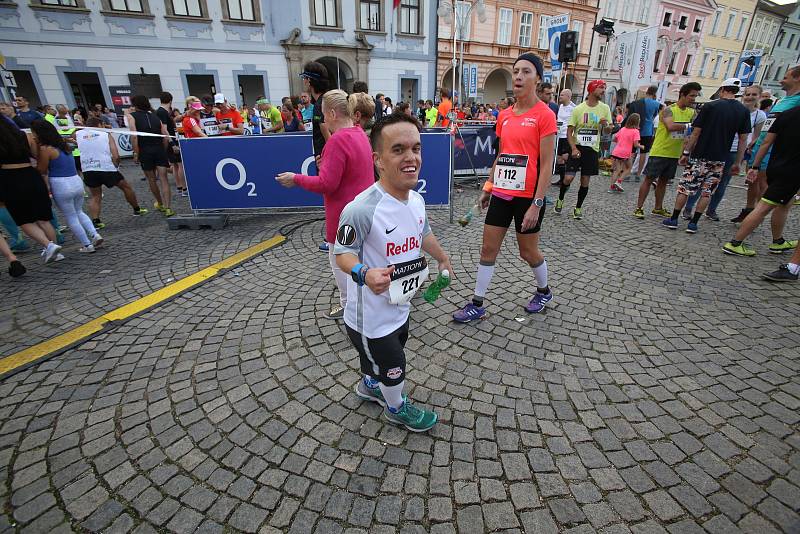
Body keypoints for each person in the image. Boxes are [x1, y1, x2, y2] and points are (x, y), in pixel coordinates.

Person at [334, 112, 451, 432]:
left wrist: (441, 257)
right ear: (379, 160)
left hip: (400, 306)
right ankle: (396, 407)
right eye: (398, 149)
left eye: (416, 148)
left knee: (390, 352)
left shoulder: (416, 200)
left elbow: (422, 232)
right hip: (368, 319)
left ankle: (369, 385)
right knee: (394, 364)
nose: (411, 157)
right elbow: (341, 252)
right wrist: (364, 273)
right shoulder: (361, 208)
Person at [453, 53, 557, 323]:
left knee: (527, 252)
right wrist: (488, 186)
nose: (519, 76)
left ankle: (544, 291)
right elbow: (501, 157)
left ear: (537, 79)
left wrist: (537, 202)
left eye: (526, 72)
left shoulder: (544, 116)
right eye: (516, 71)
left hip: (528, 197)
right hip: (502, 192)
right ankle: (477, 303)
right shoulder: (505, 116)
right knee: (488, 249)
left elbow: (547, 165)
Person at [276, 90, 376, 319]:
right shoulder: (359, 133)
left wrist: (296, 178)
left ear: (332, 113)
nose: (321, 120)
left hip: (342, 215)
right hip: (363, 211)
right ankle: (360, 301)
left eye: (322, 115)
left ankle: (349, 307)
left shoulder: (338, 139)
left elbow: (327, 184)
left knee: (341, 261)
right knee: (359, 258)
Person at [662, 78, 750, 233]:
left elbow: (696, 132)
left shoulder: (710, 106)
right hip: (720, 157)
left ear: (722, 89)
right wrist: (738, 162)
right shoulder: (743, 111)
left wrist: (686, 152)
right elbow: (743, 139)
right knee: (707, 191)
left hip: (700, 155)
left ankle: (674, 219)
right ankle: (694, 223)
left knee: (685, 188)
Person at [722, 104, 800, 256]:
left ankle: (778, 241)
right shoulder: (787, 113)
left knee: (785, 204)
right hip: (791, 171)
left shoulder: (784, 114)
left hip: (775, 165)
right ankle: (735, 243)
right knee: (764, 207)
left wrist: (755, 165)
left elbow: (765, 141)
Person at [683, 84, 766, 221]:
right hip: (719, 147)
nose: (750, 97)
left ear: (759, 97)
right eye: (747, 94)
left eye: (753, 94)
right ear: (743, 95)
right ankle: (689, 208)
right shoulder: (734, 108)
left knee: (721, 183)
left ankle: (711, 210)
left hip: (734, 150)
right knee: (702, 179)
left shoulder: (758, 115)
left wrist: (740, 159)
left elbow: (752, 137)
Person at [731, 66, 800, 223]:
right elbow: (770, 127)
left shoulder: (797, 101)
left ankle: (757, 217)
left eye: (786, 77)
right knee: (752, 181)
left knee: (765, 185)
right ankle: (750, 211)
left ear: (797, 78)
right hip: (759, 148)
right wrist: (756, 140)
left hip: (773, 151)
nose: (781, 80)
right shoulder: (783, 100)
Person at [31, 120, 103, 254]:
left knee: (71, 216)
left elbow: (41, 169)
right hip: (75, 180)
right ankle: (95, 234)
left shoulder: (46, 149)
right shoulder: (65, 145)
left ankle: (87, 245)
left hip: (60, 183)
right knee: (79, 211)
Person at [633, 82, 700, 219]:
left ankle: (658, 208)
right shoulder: (668, 109)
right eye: (691, 96)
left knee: (663, 181)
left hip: (674, 153)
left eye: (695, 96)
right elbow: (670, 126)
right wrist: (689, 125)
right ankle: (639, 208)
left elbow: (694, 131)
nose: (693, 99)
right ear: (682, 94)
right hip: (660, 151)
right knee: (649, 179)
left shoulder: (691, 112)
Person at [0, 118, 62, 263]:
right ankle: (55, 251)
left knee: (24, 220)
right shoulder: (24, 136)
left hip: (10, 179)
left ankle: (49, 245)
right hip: (31, 175)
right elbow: (36, 153)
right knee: (44, 218)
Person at [554, 80, 612, 219]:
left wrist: (607, 126)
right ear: (591, 89)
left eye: (604, 88)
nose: (603, 90)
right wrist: (573, 148)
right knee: (568, 178)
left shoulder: (605, 108)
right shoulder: (578, 109)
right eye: (601, 88)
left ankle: (578, 208)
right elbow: (570, 131)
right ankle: (561, 198)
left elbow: (608, 130)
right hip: (577, 147)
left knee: (585, 180)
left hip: (592, 149)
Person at [78, 116, 148, 226]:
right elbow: (115, 155)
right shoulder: (106, 134)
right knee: (126, 187)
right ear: (99, 125)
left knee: (95, 196)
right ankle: (137, 209)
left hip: (88, 168)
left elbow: (69, 136)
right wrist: (116, 165)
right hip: (106, 168)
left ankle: (96, 221)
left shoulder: (79, 134)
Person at [129, 95, 175, 217]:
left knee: (151, 179)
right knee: (164, 179)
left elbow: (134, 136)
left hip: (145, 150)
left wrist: (136, 152)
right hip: (159, 149)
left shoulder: (132, 116)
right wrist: (163, 150)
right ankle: (168, 207)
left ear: (135, 105)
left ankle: (160, 203)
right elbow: (165, 135)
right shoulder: (155, 116)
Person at [156, 92, 187, 197]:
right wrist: (172, 143)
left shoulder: (161, 111)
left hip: (170, 141)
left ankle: (179, 187)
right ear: (170, 101)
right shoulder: (162, 112)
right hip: (171, 141)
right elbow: (164, 129)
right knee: (180, 165)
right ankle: (184, 188)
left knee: (175, 165)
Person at [627, 85, 661, 181]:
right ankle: (638, 174)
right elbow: (656, 115)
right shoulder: (656, 104)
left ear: (647, 92)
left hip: (636, 129)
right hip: (648, 131)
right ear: (654, 93)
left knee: (632, 152)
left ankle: (628, 172)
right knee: (643, 153)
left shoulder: (637, 103)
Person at [608, 114, 643, 192]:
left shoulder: (623, 129)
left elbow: (614, 139)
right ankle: (619, 182)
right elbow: (635, 144)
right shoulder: (636, 131)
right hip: (626, 153)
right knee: (628, 168)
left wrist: (621, 141)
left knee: (617, 170)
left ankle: (611, 187)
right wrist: (642, 147)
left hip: (617, 151)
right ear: (637, 121)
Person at [553, 89, 576, 186]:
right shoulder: (560, 106)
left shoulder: (574, 108)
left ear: (568, 96)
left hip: (567, 136)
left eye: (562, 95)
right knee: (559, 158)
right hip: (559, 136)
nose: (560, 96)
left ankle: (567, 179)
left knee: (565, 157)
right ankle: (561, 180)